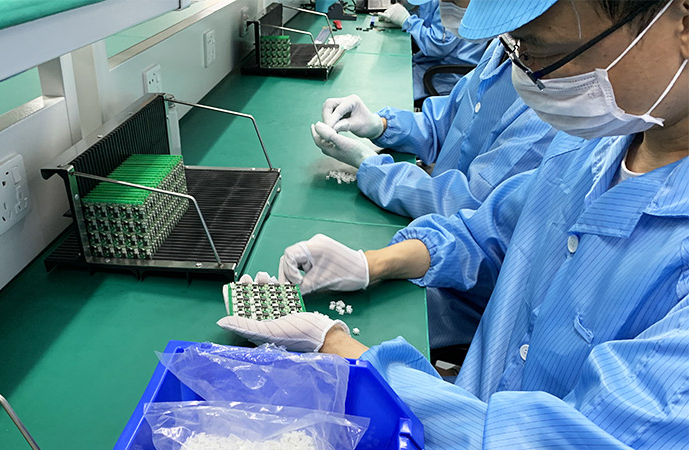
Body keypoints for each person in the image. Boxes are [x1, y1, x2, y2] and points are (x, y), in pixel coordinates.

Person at [219, 0, 689, 447]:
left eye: (548, 52)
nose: (528, 76)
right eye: (518, 50)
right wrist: (371, 263)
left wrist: (340, 349)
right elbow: (489, 234)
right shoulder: (592, 147)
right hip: (456, 399)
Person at [313, 1, 557, 350]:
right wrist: (381, 125)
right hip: (438, 242)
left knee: (338, 321)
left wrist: (371, 165)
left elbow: (466, 205)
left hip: (463, 291)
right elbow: (445, 121)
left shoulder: (547, 104)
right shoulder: (503, 49)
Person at [378, 0, 484, 101]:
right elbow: (427, 15)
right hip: (432, 63)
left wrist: (407, 21)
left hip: (445, 74)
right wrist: (409, 11)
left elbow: (438, 45)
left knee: (386, 91)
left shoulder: (453, 3)